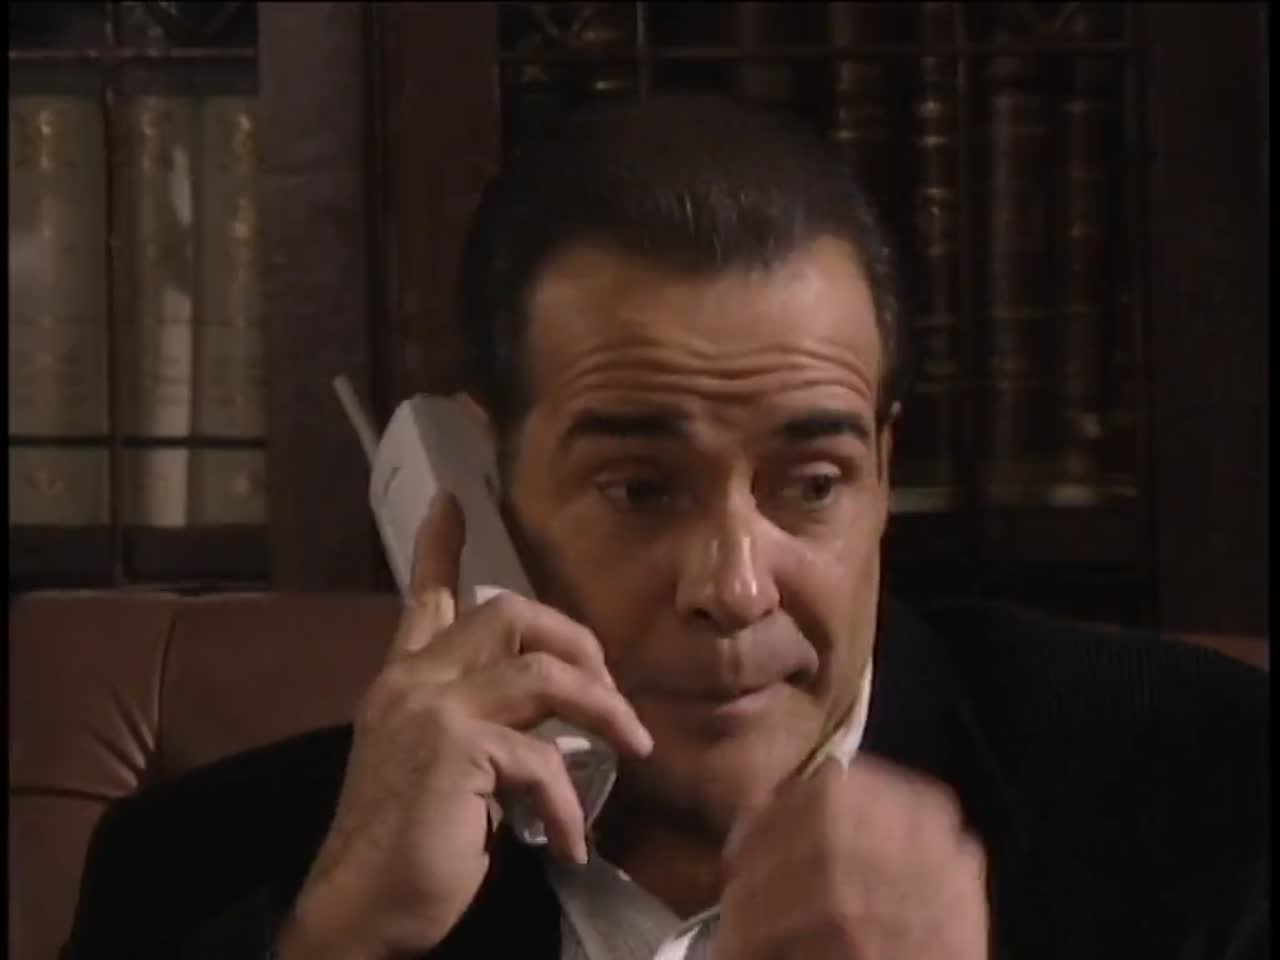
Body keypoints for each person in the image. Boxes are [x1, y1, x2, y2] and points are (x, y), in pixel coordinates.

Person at [65, 94, 1267, 960]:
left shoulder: (1207, 791)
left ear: (882, 472)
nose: (735, 587)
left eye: (812, 484)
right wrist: (344, 943)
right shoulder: (208, 876)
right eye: (640, 488)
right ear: (472, 489)